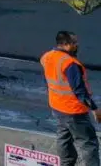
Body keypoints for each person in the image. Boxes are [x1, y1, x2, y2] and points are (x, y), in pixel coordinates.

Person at [41, 31, 99, 166]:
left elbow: (50, 81)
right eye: (74, 43)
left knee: (64, 138)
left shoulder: (47, 56)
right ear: (65, 44)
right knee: (88, 143)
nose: (77, 45)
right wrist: (95, 109)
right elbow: (79, 90)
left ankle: (66, 164)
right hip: (73, 111)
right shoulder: (69, 63)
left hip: (57, 107)